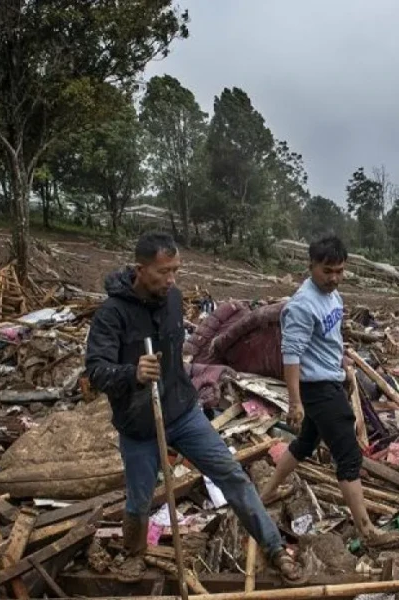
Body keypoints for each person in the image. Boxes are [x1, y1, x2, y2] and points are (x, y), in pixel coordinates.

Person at [85, 231, 304, 584]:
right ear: (140, 270)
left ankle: (274, 547)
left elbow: (181, 354)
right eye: (163, 272)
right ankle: (134, 553)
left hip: (183, 412)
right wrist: (132, 373)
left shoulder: (172, 300)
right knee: (139, 499)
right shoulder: (112, 315)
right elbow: (96, 371)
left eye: (176, 270)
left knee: (232, 475)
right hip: (139, 425)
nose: (172, 279)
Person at [259, 235, 399, 549]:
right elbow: (291, 355)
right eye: (327, 271)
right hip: (318, 388)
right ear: (311, 266)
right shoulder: (302, 306)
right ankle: (368, 532)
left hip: (331, 379)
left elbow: (330, 336)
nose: (333, 278)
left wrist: (342, 362)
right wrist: (295, 402)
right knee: (349, 456)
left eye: (339, 271)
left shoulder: (333, 296)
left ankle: (267, 492)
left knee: (305, 443)